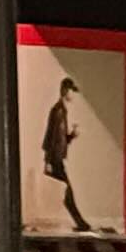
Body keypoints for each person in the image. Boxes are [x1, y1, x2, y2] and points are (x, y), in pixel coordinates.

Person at [41, 74, 92, 234]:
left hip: (56, 158)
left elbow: (59, 138)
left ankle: (80, 222)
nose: (72, 95)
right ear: (64, 91)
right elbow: (50, 135)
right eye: (71, 91)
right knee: (67, 191)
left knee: (65, 192)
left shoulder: (62, 111)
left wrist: (71, 136)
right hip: (55, 159)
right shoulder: (57, 111)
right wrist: (48, 160)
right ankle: (81, 223)